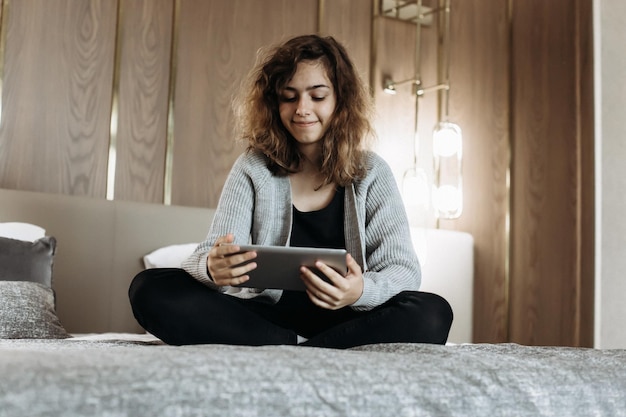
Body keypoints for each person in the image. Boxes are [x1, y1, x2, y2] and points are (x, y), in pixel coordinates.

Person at [129, 34, 453, 349]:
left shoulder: (372, 171)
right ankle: (301, 347)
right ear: (275, 103)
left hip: (347, 318)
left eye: (317, 95)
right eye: (289, 96)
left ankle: (299, 350)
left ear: (341, 99)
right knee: (150, 287)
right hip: (263, 319)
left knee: (434, 312)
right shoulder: (253, 167)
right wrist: (213, 269)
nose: (302, 108)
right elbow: (206, 255)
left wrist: (360, 291)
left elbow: (403, 269)